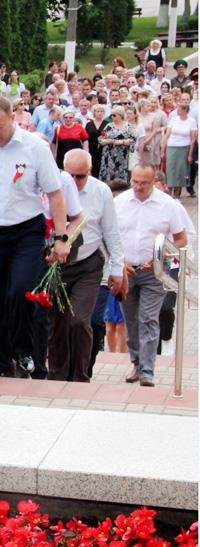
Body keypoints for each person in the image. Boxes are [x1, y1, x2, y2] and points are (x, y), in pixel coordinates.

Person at [0, 96, 70, 378]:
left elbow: (55, 194)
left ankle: (23, 350)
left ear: (13, 118)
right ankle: (0, 364)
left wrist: (61, 237)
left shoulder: (34, 147)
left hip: (25, 230)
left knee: (21, 290)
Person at [48, 149, 125, 382]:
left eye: (79, 176)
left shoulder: (101, 192)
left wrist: (117, 269)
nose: (73, 181)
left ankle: (81, 376)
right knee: (58, 323)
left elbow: (111, 232)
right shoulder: (52, 188)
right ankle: (58, 374)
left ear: (90, 172)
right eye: (69, 174)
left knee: (80, 320)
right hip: (58, 266)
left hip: (88, 265)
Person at [115, 165, 188, 387]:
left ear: (153, 180)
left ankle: (147, 371)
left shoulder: (168, 205)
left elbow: (181, 239)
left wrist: (161, 256)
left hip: (154, 272)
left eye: (144, 183)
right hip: (126, 271)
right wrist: (119, 261)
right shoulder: (120, 202)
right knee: (131, 320)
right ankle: (136, 364)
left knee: (148, 318)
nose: (138, 186)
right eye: (135, 181)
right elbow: (109, 235)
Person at [163, 96, 198, 200]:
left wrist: (190, 154)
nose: (177, 111)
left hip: (184, 148)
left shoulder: (191, 121)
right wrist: (163, 150)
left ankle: (177, 195)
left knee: (181, 171)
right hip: (171, 147)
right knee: (170, 170)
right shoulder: (173, 119)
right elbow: (167, 135)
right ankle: (169, 194)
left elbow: (193, 139)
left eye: (179, 109)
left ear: (185, 111)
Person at [99, 105, 135, 182]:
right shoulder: (108, 126)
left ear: (120, 115)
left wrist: (122, 142)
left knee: (121, 177)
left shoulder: (128, 126)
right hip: (109, 156)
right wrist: (109, 141)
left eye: (114, 115)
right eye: (111, 115)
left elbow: (133, 140)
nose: (112, 117)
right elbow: (101, 138)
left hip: (122, 157)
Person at [138, 96, 167, 168]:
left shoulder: (158, 115)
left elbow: (164, 127)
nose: (152, 105)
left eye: (155, 102)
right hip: (139, 140)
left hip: (152, 139)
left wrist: (147, 140)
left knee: (152, 161)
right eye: (151, 103)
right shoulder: (138, 116)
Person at [85, 104, 110, 178]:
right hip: (91, 150)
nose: (100, 113)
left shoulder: (108, 124)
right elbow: (86, 138)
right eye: (98, 111)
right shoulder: (89, 124)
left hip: (103, 150)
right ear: (94, 112)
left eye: (102, 111)